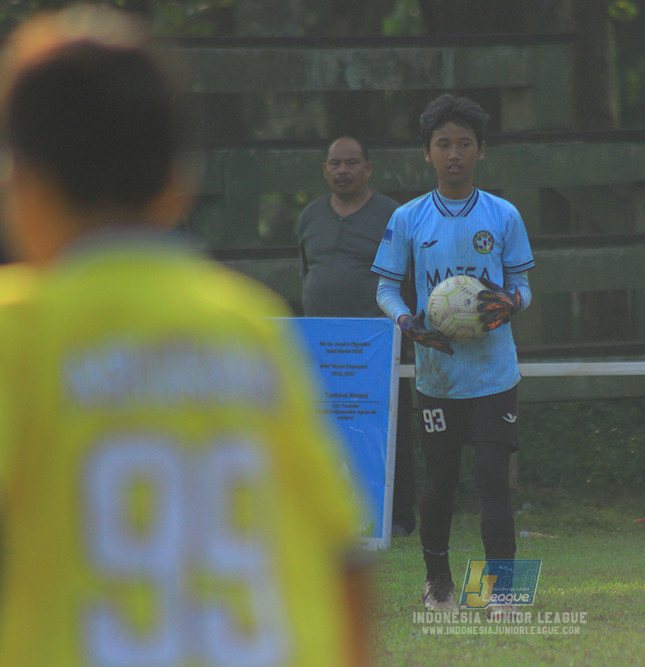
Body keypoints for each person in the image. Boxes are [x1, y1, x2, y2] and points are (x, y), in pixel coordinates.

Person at [0, 7, 369, 666]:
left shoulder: (20, 332)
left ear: (20, 185)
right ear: (178, 186)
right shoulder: (248, 324)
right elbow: (342, 554)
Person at [372, 93, 534, 612]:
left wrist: (511, 302)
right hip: (437, 374)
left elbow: (524, 286)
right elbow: (386, 289)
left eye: (464, 143)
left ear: (480, 150)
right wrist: (407, 322)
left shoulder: (503, 214)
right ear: (428, 153)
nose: (454, 153)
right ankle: (438, 585)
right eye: (443, 144)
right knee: (440, 483)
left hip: (494, 372)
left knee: (492, 478)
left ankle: (502, 592)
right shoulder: (408, 218)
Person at [298, 134, 416, 538]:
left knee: (389, 433)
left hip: (378, 347)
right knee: (322, 432)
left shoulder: (393, 216)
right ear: (325, 169)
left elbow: (407, 281)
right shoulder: (309, 217)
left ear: (368, 168)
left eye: (351, 162)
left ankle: (396, 519)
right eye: (335, 163)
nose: (342, 170)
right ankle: (325, 517)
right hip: (321, 350)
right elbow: (307, 272)